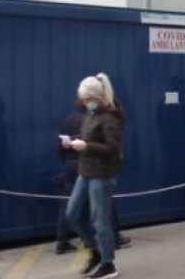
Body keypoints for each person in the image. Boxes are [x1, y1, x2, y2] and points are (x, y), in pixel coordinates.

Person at [64, 73, 124, 279]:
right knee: (72, 213)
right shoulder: (91, 114)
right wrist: (74, 141)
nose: (83, 102)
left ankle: (108, 264)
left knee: (100, 220)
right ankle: (94, 250)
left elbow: (112, 148)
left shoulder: (110, 118)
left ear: (96, 97)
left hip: (102, 174)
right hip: (86, 171)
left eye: (86, 98)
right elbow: (89, 137)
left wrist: (86, 146)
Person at [56, 103, 130, 255]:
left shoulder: (68, 119)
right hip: (89, 165)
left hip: (70, 164)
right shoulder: (93, 122)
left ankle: (63, 240)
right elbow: (109, 147)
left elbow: (60, 148)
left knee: (70, 206)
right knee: (103, 207)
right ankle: (112, 240)